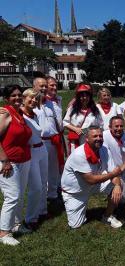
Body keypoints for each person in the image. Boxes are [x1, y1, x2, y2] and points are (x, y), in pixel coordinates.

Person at [61, 126, 124, 229]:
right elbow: (91, 180)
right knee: (76, 225)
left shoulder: (104, 149)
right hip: (75, 192)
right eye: (95, 136)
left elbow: (113, 172)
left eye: (100, 136)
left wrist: (117, 185)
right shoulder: (79, 154)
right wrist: (113, 175)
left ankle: (107, 216)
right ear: (86, 138)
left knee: (118, 185)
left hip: (94, 184)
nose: (98, 138)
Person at [0, 85, 32, 246]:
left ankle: (17, 225)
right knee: (12, 196)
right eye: (13, 96)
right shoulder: (5, 113)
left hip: (23, 160)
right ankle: (4, 232)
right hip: (9, 162)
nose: (18, 98)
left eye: (19, 95)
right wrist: (4, 160)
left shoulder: (19, 113)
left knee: (19, 195)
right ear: (7, 98)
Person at [21, 89, 49, 229]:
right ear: (23, 98)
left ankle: (42, 210)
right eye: (30, 98)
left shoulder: (35, 114)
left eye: (36, 99)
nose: (33, 101)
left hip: (42, 148)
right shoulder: (19, 114)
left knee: (44, 182)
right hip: (30, 151)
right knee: (36, 187)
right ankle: (30, 218)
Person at [37, 77, 64, 203]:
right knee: (42, 171)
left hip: (53, 139)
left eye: (55, 85)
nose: (53, 87)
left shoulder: (52, 103)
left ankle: (53, 194)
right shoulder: (32, 103)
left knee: (54, 168)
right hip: (39, 141)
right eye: (50, 85)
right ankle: (42, 195)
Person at [63, 83, 103, 153]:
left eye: (87, 96)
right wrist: (76, 129)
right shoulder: (72, 108)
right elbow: (65, 122)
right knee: (77, 159)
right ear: (78, 98)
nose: (84, 98)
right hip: (76, 140)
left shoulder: (95, 109)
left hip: (91, 140)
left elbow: (101, 124)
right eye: (82, 96)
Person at [103, 116, 125, 199]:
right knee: (112, 192)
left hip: (123, 169)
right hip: (107, 169)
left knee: (121, 199)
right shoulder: (104, 136)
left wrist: (121, 169)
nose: (119, 128)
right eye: (116, 126)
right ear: (110, 127)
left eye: (121, 126)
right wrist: (112, 172)